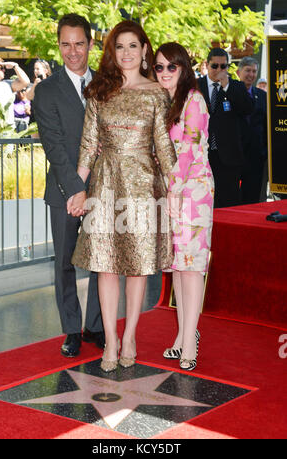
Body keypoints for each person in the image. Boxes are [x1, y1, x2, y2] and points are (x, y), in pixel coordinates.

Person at [70, 20, 177, 372]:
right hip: (105, 186)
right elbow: (88, 146)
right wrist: (79, 188)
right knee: (105, 266)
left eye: (134, 46)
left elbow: (163, 146)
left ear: (145, 51)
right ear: (112, 53)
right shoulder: (100, 91)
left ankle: (130, 334)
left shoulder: (156, 93)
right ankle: (111, 341)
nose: (127, 53)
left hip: (145, 188)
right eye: (120, 47)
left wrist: (175, 189)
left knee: (137, 266)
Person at [34, 14, 104, 358]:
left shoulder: (108, 84)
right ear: (58, 45)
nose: (72, 51)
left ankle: (94, 325)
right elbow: (54, 145)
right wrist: (76, 188)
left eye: (79, 43)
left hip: (104, 190)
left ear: (91, 43)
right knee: (64, 262)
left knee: (99, 260)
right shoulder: (46, 90)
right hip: (63, 192)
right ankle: (71, 330)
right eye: (65, 44)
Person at [153, 43, 214, 371]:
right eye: (159, 67)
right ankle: (183, 335)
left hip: (193, 191)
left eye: (170, 67)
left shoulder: (194, 100)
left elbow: (189, 150)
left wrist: (174, 192)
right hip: (170, 191)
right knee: (177, 266)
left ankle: (190, 341)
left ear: (183, 68)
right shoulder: (162, 101)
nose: (163, 73)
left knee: (191, 269)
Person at [197, 48, 254, 208]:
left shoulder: (236, 87)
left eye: (224, 66)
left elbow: (247, 109)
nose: (219, 70)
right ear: (207, 65)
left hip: (228, 158)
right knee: (202, 202)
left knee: (228, 203)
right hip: (202, 155)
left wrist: (227, 86)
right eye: (215, 66)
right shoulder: (196, 86)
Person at [237, 57, 268, 204]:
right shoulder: (228, 93)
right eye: (247, 70)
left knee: (252, 199)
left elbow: (266, 125)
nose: (251, 74)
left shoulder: (263, 96)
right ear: (239, 72)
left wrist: (265, 151)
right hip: (234, 155)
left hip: (256, 156)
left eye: (254, 71)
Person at [0, 57, 30, 129]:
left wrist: (15, 66)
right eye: (0, 68)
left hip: (8, 129)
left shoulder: (7, 84)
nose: (4, 70)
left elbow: (25, 82)